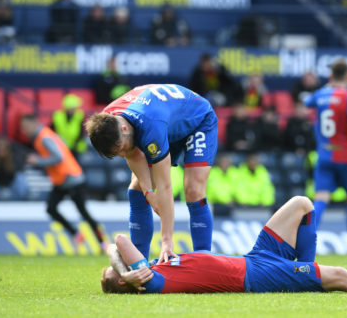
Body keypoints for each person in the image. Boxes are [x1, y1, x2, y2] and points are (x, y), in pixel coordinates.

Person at [100, 196, 347, 294]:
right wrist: (127, 273)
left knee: (301, 204)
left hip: (254, 259)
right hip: (254, 277)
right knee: (340, 275)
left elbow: (114, 250)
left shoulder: (149, 270)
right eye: (114, 272)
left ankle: (308, 275)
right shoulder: (151, 280)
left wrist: (119, 268)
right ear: (126, 278)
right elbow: (119, 241)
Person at [85, 84, 218, 263]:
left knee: (193, 190)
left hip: (197, 120)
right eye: (117, 154)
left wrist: (166, 241)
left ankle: (204, 260)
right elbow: (132, 154)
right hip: (166, 121)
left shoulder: (149, 125)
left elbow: (164, 185)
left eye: (120, 148)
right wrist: (148, 192)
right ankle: (140, 262)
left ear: (124, 129)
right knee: (137, 190)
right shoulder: (109, 120)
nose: (122, 155)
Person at [304, 59, 347, 252]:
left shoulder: (319, 95)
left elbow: (307, 102)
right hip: (345, 155)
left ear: (331, 75)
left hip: (324, 155)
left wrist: (326, 87)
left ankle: (307, 244)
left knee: (321, 198)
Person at [20, 114, 106, 250]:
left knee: (82, 212)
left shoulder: (44, 137)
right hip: (61, 180)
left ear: (34, 124)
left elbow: (58, 157)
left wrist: (38, 161)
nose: (23, 130)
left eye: (25, 127)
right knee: (51, 208)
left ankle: (102, 242)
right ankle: (77, 234)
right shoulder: (43, 136)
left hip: (71, 178)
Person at [51, 94, 87, 158]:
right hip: (61, 147)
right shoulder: (57, 116)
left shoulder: (79, 115)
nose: (76, 108)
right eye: (74, 107)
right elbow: (52, 132)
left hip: (77, 148)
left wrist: (74, 146)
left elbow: (81, 134)